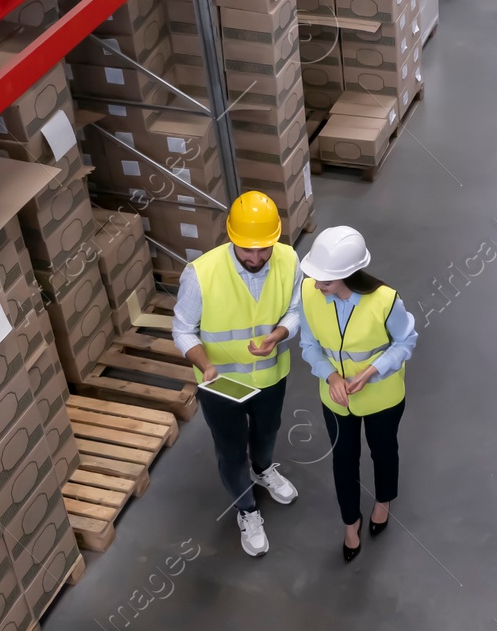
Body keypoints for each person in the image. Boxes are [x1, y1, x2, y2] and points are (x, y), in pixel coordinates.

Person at [174, 192, 302, 557]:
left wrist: (278, 335)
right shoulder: (201, 274)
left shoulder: (290, 261)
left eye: (265, 249)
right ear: (231, 236)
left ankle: (263, 470)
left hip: (270, 376)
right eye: (248, 250)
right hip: (222, 384)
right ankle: (247, 510)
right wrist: (205, 364)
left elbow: (296, 309)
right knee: (231, 451)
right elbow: (182, 329)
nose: (257, 258)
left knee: (267, 435)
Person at [297, 226, 417, 563]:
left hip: (382, 394)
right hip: (336, 397)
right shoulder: (308, 292)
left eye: (327, 282)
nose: (319, 286)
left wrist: (372, 371)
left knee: (383, 450)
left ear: (349, 274)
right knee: (343, 459)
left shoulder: (385, 300)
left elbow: (406, 341)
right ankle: (350, 522)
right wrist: (332, 375)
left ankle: (383, 501)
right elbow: (308, 345)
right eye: (316, 278)